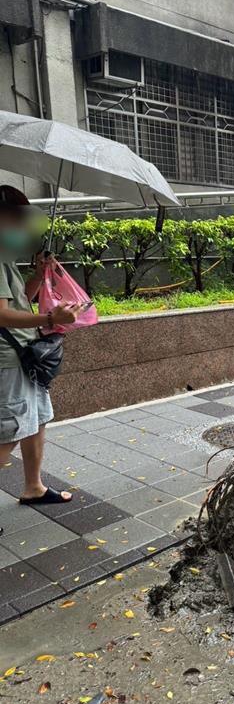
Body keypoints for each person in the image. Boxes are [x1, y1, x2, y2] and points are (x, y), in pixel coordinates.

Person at [0, 185, 82, 528]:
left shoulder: (5, 258)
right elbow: (1, 316)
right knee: (9, 432)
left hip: (24, 355)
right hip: (8, 358)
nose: (22, 227)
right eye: (15, 218)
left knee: (37, 420)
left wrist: (38, 275)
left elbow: (21, 300)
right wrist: (51, 319)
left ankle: (33, 487)